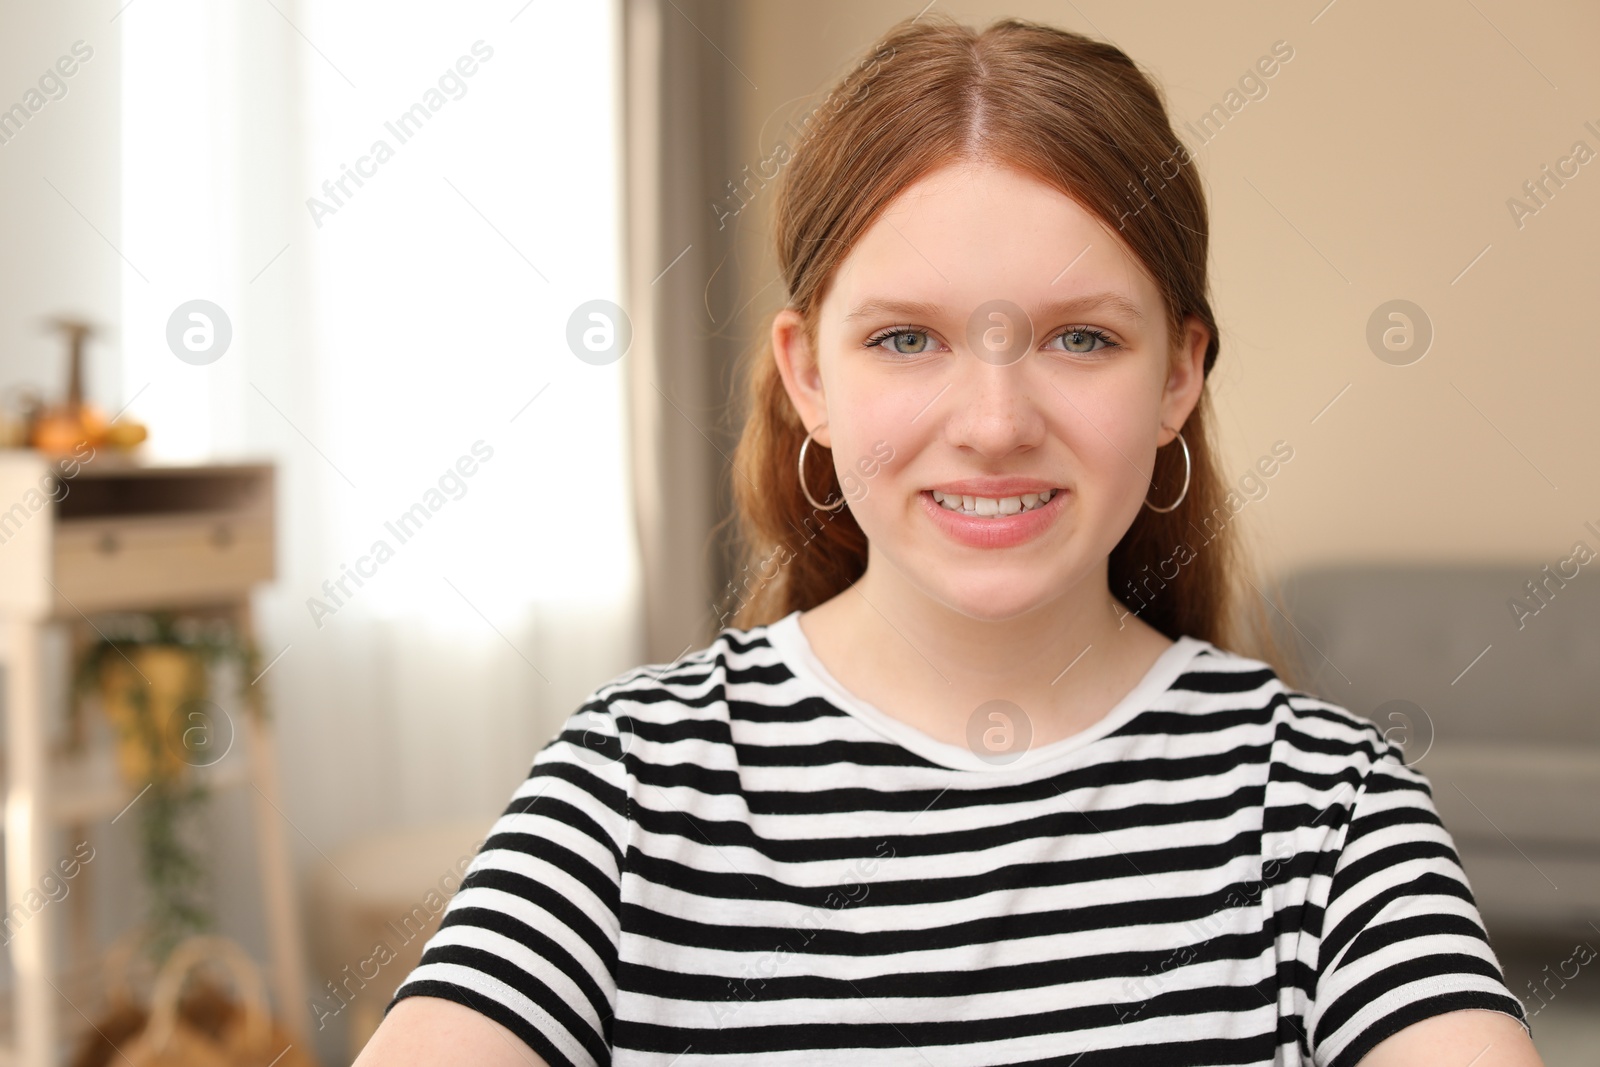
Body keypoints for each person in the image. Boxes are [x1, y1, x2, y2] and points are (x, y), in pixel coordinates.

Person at [356, 14, 1541, 1067]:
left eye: (1079, 339)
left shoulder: (1326, 807)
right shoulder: (628, 783)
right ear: (807, 373)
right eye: (906, 339)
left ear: (1178, 373)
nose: (994, 424)